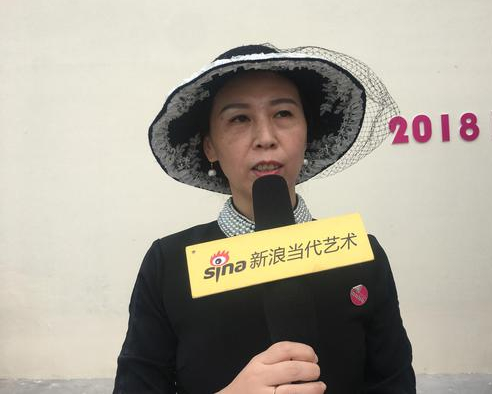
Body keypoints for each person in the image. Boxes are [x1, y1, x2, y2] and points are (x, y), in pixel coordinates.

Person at [114, 44, 415, 394]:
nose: (266, 139)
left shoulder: (362, 255)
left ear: (307, 133)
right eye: (239, 119)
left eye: (283, 114)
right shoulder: (168, 264)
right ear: (210, 146)